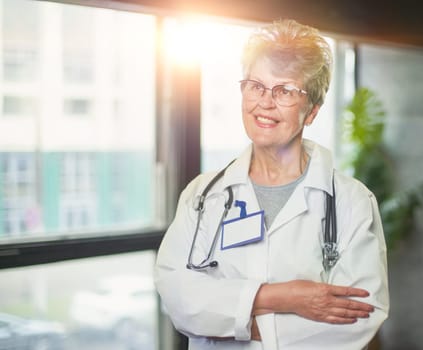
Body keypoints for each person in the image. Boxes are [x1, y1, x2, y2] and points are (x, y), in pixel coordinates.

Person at [154, 19, 389, 350]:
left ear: (312, 111)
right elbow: (179, 301)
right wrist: (286, 297)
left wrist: (225, 318)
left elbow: (361, 317)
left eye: (285, 91)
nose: (265, 102)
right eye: (256, 86)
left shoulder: (352, 201)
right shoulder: (203, 195)